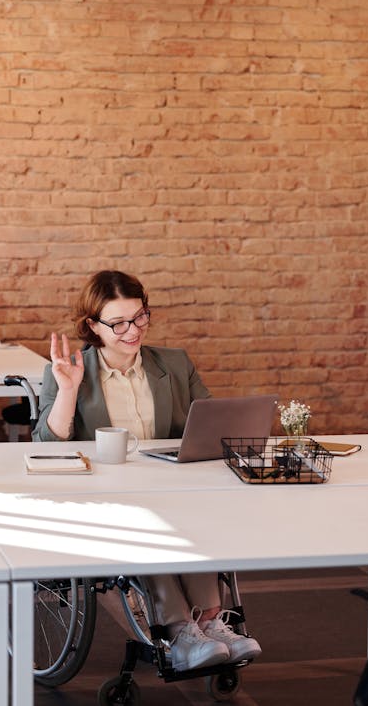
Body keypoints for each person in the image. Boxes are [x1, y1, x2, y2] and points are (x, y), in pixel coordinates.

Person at [33, 270, 261, 671]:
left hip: (170, 487)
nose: (131, 331)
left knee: (197, 517)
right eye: (117, 323)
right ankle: (180, 630)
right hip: (106, 496)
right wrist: (67, 392)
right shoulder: (70, 370)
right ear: (92, 326)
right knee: (148, 524)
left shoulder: (173, 364)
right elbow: (47, 448)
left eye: (139, 318)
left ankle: (211, 622)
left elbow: (210, 424)